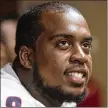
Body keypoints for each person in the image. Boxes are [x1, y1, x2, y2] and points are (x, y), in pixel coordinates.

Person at [1, 1, 93, 107]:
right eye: (63, 43)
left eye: (86, 45)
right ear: (27, 57)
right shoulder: (8, 97)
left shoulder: (57, 92)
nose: (82, 56)